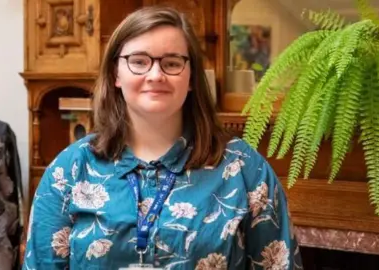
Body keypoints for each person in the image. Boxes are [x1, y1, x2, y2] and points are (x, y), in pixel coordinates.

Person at [23, 6, 302, 270]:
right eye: (139, 62)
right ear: (115, 74)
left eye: (171, 63)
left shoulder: (244, 169)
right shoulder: (69, 170)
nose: (155, 75)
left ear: (192, 77)